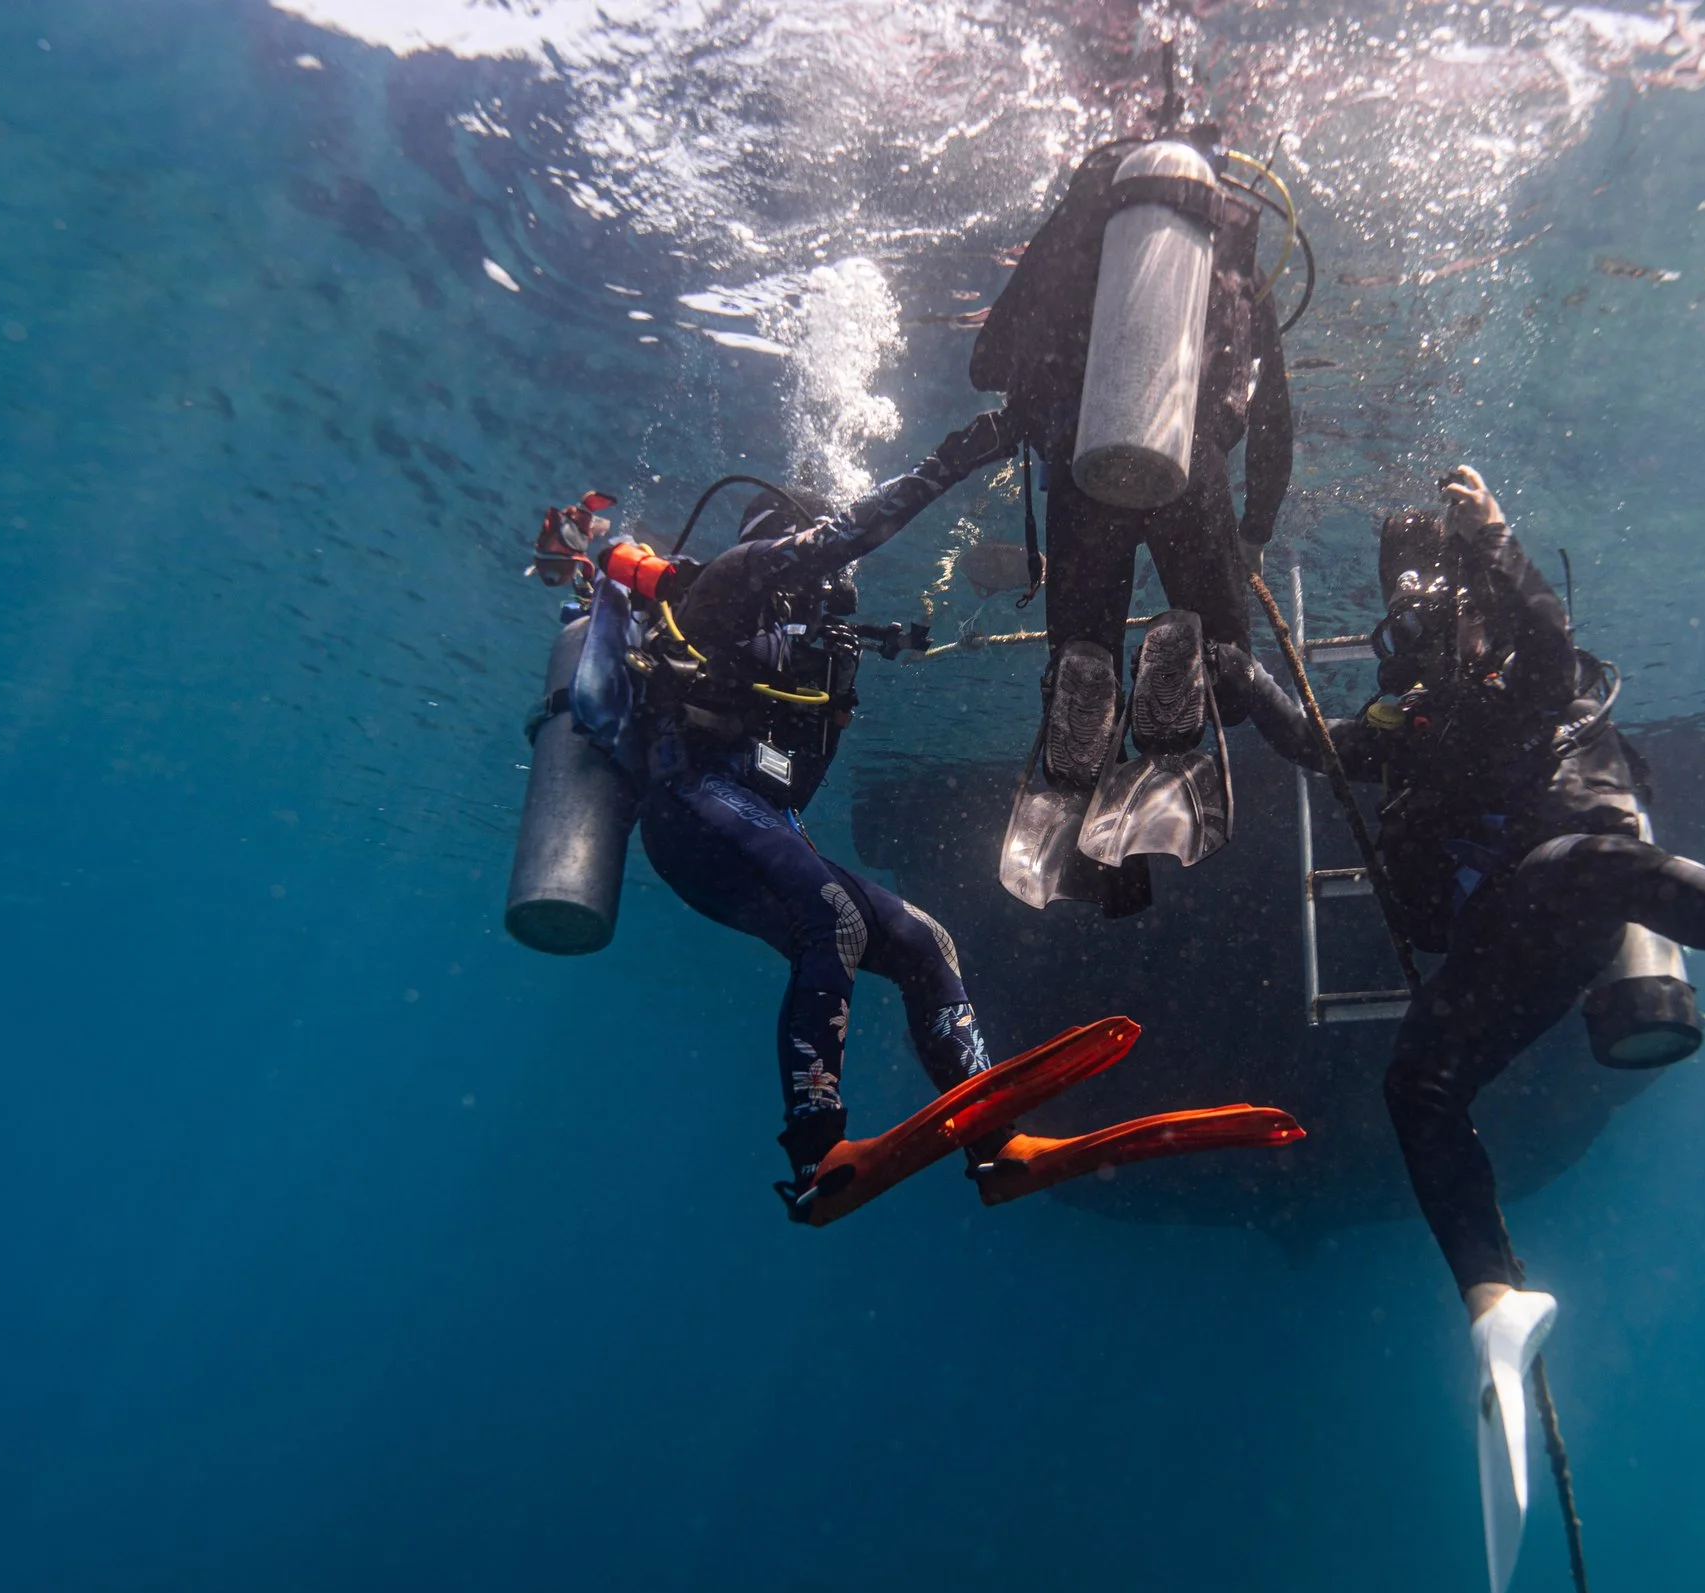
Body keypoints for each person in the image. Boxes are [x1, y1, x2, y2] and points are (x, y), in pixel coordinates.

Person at [1217, 463, 1705, 1593]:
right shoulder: (1414, 711)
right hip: (1505, 942)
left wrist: (1496, 541)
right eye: (1401, 603)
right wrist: (1235, 671)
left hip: (1568, 892)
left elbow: (1542, 639)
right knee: (1416, 1084)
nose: (1410, 619)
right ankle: (1492, 1301)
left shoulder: (1521, 665)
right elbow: (1316, 743)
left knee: (1579, 863)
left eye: (1424, 592)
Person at [526, 410, 1299, 1227]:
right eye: (810, 558)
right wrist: (956, 456)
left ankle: (996, 1145)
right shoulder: (731, 582)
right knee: (831, 920)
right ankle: (818, 1149)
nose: (826, 589)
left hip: (762, 826)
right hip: (693, 816)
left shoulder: (815, 637)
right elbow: (844, 537)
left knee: (929, 943)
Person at [970, 121, 1295, 910]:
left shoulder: (1083, 231)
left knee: (1082, 651)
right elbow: (1276, 412)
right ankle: (1185, 675)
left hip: (1086, 469)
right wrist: (1255, 526)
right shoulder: (1228, 249)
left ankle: (1089, 687)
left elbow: (988, 359)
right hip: (1194, 466)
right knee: (1229, 664)